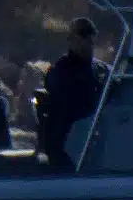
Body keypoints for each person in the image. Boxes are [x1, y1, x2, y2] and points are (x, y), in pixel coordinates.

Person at [42, 17, 109, 170]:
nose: (85, 42)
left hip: (95, 137)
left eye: (88, 37)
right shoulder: (60, 70)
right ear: (71, 40)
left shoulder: (101, 70)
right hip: (67, 140)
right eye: (81, 36)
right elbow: (66, 101)